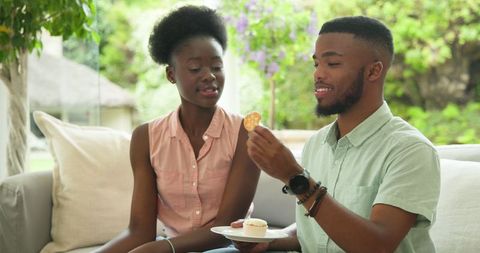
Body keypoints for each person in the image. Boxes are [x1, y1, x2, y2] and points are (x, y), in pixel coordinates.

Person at [210, 16, 441, 253]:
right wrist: (267, 239)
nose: (318, 74)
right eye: (316, 64)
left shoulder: (410, 151)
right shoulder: (317, 144)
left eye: (332, 64)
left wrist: (294, 177)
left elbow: (377, 246)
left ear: (373, 71)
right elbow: (320, 231)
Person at [95, 5, 260, 253]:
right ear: (171, 74)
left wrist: (165, 249)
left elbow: (225, 228)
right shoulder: (146, 138)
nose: (210, 76)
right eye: (195, 69)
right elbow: (140, 230)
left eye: (217, 67)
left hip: (227, 248)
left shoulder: (244, 133)